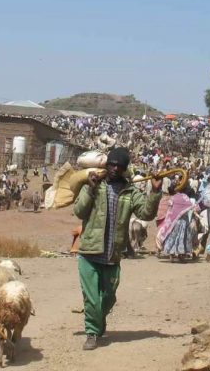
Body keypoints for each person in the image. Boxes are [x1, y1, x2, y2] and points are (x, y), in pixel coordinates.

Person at [73, 147, 162, 351]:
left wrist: (155, 192)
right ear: (106, 165)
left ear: (124, 169)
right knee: (93, 298)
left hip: (113, 256)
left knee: (109, 297)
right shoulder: (95, 185)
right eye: (111, 164)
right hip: (89, 252)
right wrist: (90, 189)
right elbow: (79, 211)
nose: (114, 168)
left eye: (119, 166)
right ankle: (92, 333)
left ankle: (98, 319)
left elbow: (146, 214)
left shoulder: (130, 192)